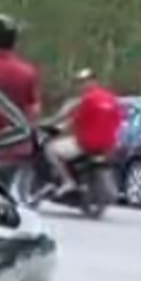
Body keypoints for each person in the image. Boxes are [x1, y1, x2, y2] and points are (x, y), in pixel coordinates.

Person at [44, 68, 123, 196]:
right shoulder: (111, 98)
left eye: (84, 82)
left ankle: (67, 181)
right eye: (81, 82)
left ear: (93, 81)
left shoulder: (87, 99)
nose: (82, 85)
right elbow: (118, 120)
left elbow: (74, 120)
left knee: (50, 149)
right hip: (107, 146)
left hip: (86, 144)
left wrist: (59, 128)